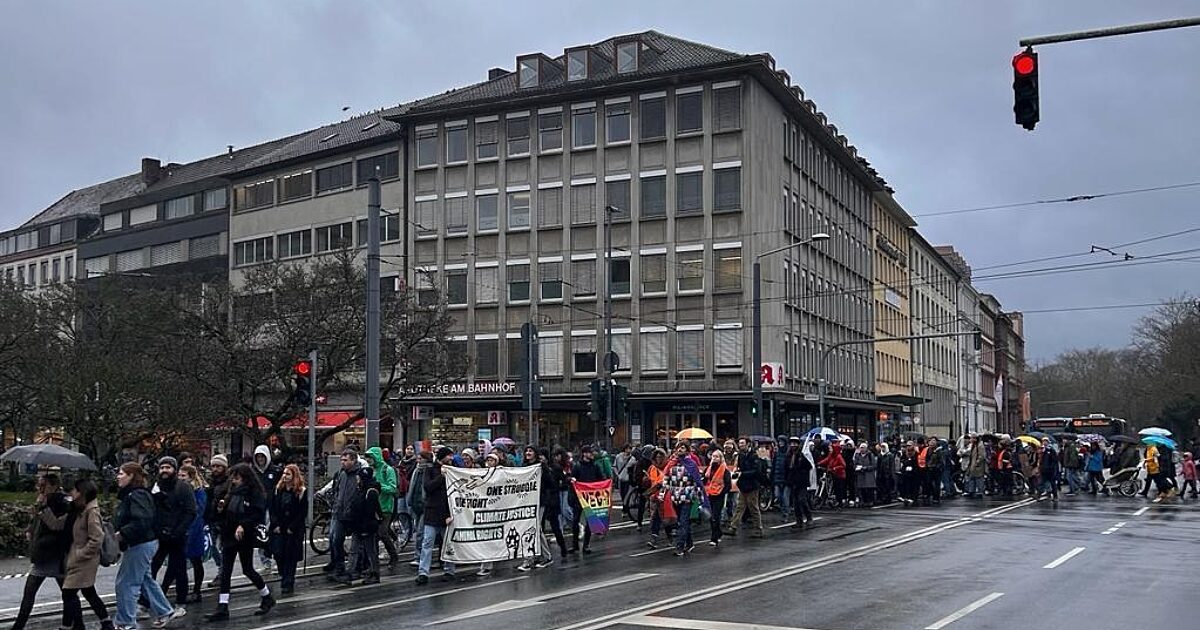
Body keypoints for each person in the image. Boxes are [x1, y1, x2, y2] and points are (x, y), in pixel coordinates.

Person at [113, 463, 179, 630]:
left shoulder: (136, 495)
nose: (118, 476)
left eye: (121, 473)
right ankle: (164, 611)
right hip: (145, 542)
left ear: (131, 476)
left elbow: (141, 520)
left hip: (140, 543)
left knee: (126, 583)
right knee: (144, 579)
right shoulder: (134, 494)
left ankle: (125, 622)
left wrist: (122, 533)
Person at [204, 463, 274, 621]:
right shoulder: (230, 492)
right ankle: (223, 606)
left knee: (248, 569)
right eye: (233, 477)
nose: (234, 481)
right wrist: (219, 508)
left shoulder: (254, 493)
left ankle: (266, 596)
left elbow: (257, 514)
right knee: (226, 570)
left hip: (245, 536)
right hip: (229, 535)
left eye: (237, 478)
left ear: (245, 478)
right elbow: (221, 512)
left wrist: (243, 525)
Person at [12, 474, 71, 630]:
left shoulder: (62, 502)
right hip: (42, 553)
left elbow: (56, 525)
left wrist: (44, 507)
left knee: (66, 593)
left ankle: (72, 623)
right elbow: (38, 523)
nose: (40, 488)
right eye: (39, 485)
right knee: (32, 592)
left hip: (54, 554)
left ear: (53, 485)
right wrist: (30, 528)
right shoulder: (43, 500)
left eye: (43, 485)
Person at [57, 479, 113, 630]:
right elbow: (60, 523)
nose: (72, 493)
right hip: (79, 559)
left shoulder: (91, 512)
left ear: (81, 492)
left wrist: (81, 554)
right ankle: (106, 622)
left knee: (68, 593)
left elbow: (97, 538)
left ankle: (68, 626)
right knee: (89, 592)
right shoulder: (80, 509)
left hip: (84, 560)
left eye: (75, 490)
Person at [149, 456, 196, 610]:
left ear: (174, 469)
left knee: (179, 569)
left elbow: (190, 512)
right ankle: (145, 602)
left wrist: (178, 531)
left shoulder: (183, 487)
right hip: (160, 535)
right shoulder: (155, 487)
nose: (164, 471)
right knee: (151, 569)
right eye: (162, 467)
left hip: (177, 536)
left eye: (168, 467)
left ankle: (181, 602)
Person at [522, 446, 567, 571]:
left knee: (536, 529)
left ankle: (542, 558)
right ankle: (536, 557)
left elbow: (551, 484)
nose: (527, 453)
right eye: (526, 451)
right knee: (532, 529)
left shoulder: (542, 467)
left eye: (530, 451)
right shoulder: (523, 466)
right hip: (527, 501)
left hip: (540, 502)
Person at [416, 447, 456, 585]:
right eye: (449, 456)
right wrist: (441, 476)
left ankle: (449, 570)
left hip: (448, 513)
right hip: (432, 513)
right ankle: (423, 572)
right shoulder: (431, 469)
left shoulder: (453, 470)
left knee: (448, 544)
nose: (451, 459)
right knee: (427, 543)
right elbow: (428, 487)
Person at [269, 464, 307, 595]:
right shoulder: (278, 490)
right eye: (284, 474)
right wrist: (275, 525)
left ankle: (288, 581)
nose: (285, 476)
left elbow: (302, 512)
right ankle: (283, 574)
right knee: (279, 553)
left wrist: (293, 527)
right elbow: (272, 508)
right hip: (280, 527)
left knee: (290, 556)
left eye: (288, 474)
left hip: (293, 529)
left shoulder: (300, 491)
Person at [324, 448, 361, 581]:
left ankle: (354, 567)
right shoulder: (341, 473)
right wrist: (334, 502)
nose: (342, 462)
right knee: (334, 539)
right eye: (342, 460)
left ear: (353, 460)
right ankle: (338, 566)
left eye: (346, 460)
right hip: (338, 511)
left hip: (351, 514)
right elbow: (336, 489)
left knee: (354, 543)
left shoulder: (359, 474)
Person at [364, 447, 400, 568]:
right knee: (374, 535)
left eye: (371, 457)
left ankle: (393, 556)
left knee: (382, 533)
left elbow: (392, 488)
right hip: (372, 507)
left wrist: (378, 487)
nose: (368, 460)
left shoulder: (387, 469)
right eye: (367, 457)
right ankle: (372, 562)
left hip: (385, 507)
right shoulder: (370, 470)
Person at [347, 466, 382, 584]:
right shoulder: (361, 489)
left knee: (370, 550)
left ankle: (375, 573)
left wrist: (366, 527)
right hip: (358, 524)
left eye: (359, 477)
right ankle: (350, 571)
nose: (357, 480)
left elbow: (370, 511)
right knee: (354, 549)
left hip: (367, 526)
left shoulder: (370, 492)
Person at [178, 465, 207, 604]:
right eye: (180, 475)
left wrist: (190, 530)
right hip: (182, 529)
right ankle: (182, 590)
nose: (181, 478)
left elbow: (198, 511)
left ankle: (197, 590)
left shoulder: (198, 492)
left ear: (191, 476)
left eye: (183, 476)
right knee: (180, 562)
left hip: (194, 530)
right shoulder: (180, 490)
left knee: (196, 560)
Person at [568, 444, 605, 554]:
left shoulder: (595, 466)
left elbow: (601, 479)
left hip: (591, 497)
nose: (592, 454)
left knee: (590, 522)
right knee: (575, 522)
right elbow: (571, 479)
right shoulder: (577, 466)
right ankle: (575, 545)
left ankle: (586, 545)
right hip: (579, 498)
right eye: (589, 452)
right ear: (584, 454)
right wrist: (572, 480)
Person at [251, 446, 282, 571]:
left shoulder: (274, 471)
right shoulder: (253, 472)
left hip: (271, 507)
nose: (260, 459)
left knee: (271, 532)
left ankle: (274, 557)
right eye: (258, 457)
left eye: (262, 457)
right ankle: (265, 560)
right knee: (261, 533)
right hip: (258, 507)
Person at [203, 455, 230, 589]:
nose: (215, 469)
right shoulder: (209, 481)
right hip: (211, 518)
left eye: (218, 466)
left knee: (223, 548)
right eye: (213, 466)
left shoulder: (229, 482)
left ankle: (223, 573)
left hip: (224, 519)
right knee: (212, 547)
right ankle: (222, 569)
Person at [783, 437, 813, 528]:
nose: (793, 445)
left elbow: (809, 466)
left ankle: (809, 517)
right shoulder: (788, 455)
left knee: (802, 500)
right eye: (791, 444)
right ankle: (799, 520)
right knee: (795, 502)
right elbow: (786, 468)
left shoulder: (802, 454)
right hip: (792, 481)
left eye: (795, 444)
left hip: (802, 481)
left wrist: (801, 463)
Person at [704, 450, 732, 545]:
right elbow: (705, 479)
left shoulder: (725, 470)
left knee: (715, 516)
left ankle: (714, 538)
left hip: (719, 495)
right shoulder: (709, 468)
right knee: (710, 516)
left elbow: (728, 484)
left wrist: (723, 493)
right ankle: (718, 532)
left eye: (717, 457)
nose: (714, 458)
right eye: (713, 456)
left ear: (720, 458)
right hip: (709, 494)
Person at [819, 442, 847, 507]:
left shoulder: (839, 456)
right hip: (833, 474)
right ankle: (836, 500)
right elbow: (826, 460)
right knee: (834, 488)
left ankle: (840, 502)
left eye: (831, 448)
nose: (830, 449)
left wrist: (835, 468)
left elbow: (843, 465)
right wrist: (819, 463)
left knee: (838, 489)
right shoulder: (831, 455)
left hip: (839, 475)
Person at [614, 444, 636, 520]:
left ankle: (625, 510)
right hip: (621, 479)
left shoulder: (633, 459)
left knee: (627, 495)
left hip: (628, 479)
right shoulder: (618, 457)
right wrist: (617, 475)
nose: (629, 450)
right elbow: (614, 466)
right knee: (622, 494)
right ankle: (625, 508)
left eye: (630, 449)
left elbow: (634, 469)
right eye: (627, 449)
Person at [772, 436, 790, 519]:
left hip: (786, 479)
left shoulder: (788, 453)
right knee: (778, 495)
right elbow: (774, 465)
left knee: (785, 497)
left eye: (782, 442)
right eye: (779, 442)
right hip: (777, 478)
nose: (780, 443)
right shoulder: (777, 453)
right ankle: (783, 509)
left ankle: (786, 512)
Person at [1037, 439, 1060, 503]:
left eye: (1046, 442)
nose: (1044, 443)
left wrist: (1051, 467)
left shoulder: (1051, 450)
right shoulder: (1042, 451)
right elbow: (1040, 460)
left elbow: (1054, 460)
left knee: (1053, 484)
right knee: (1041, 483)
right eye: (1043, 442)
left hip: (1050, 470)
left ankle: (1055, 496)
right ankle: (1038, 496)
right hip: (1044, 470)